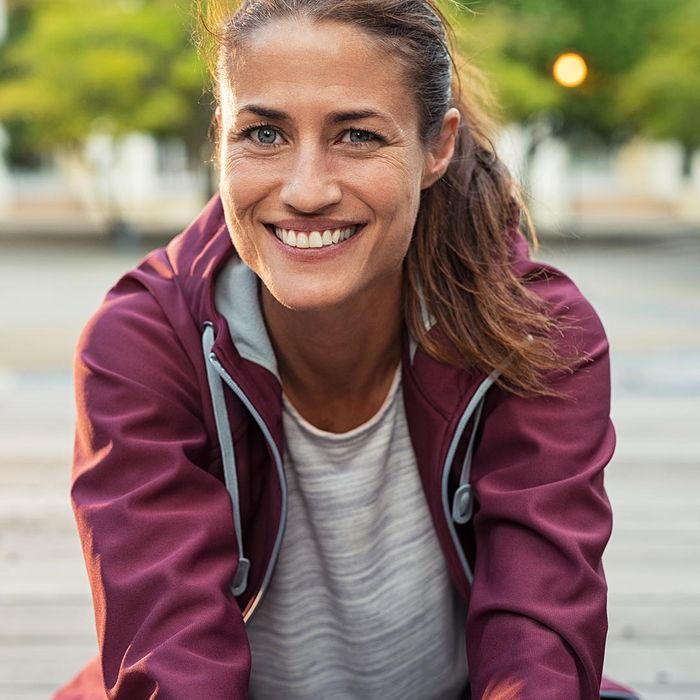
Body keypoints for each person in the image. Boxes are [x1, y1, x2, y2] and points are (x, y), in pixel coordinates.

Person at [54, 1, 633, 698]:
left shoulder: (541, 333)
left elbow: (538, 649)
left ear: (437, 146)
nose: (305, 191)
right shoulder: (143, 343)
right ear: (220, 139)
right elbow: (167, 665)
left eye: (356, 135)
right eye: (263, 133)